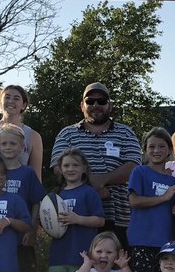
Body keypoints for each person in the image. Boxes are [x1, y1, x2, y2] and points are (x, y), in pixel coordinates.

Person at [49, 83, 142, 250]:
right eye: (90, 101)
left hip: (119, 218)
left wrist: (102, 181)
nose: (96, 105)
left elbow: (134, 167)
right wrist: (90, 188)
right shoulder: (67, 134)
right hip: (76, 218)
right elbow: (58, 168)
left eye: (101, 101)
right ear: (82, 105)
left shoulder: (126, 133)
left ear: (110, 105)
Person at [127, 128, 175, 272]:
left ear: (169, 150)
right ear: (145, 150)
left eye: (161, 146)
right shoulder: (140, 172)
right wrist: (163, 198)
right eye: (152, 146)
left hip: (165, 242)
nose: (156, 150)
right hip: (141, 240)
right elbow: (134, 200)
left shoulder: (174, 182)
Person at [48, 149, 106, 272]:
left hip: (81, 256)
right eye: (66, 165)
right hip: (58, 255)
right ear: (60, 169)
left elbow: (100, 220)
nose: (70, 169)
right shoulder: (56, 195)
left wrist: (77, 219)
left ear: (84, 169)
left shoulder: (89, 193)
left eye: (75, 165)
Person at [0, 123, 45, 272]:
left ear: (22, 147)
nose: (8, 147)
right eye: (4, 144)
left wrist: (32, 229)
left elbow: (36, 202)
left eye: (13, 144)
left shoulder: (27, 173)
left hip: (21, 236)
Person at [0, 84, 45, 180]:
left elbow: (36, 176)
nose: (10, 101)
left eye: (16, 98)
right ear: (0, 102)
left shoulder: (33, 136)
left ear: (23, 105)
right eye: (7, 97)